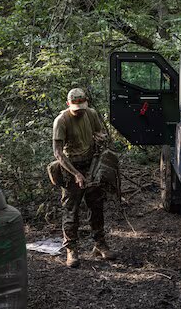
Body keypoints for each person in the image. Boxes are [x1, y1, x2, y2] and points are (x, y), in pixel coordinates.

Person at [53, 88, 118, 268]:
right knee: (71, 211)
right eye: (76, 107)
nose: (79, 110)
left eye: (82, 106)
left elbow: (101, 133)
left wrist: (100, 137)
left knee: (96, 206)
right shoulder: (61, 120)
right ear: (68, 104)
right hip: (71, 166)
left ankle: (99, 244)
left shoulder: (91, 114)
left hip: (92, 164)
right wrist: (76, 174)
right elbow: (58, 154)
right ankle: (71, 249)